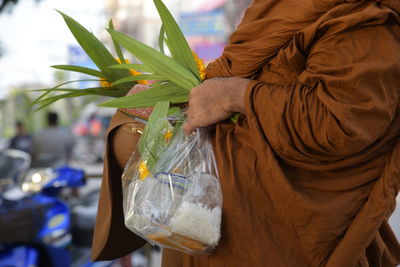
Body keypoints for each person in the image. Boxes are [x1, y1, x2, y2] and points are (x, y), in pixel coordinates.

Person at [92, 0, 400, 266]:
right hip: (227, 223)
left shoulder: (365, 21)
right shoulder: (289, 8)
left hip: (282, 235)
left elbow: (338, 124)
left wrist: (236, 95)